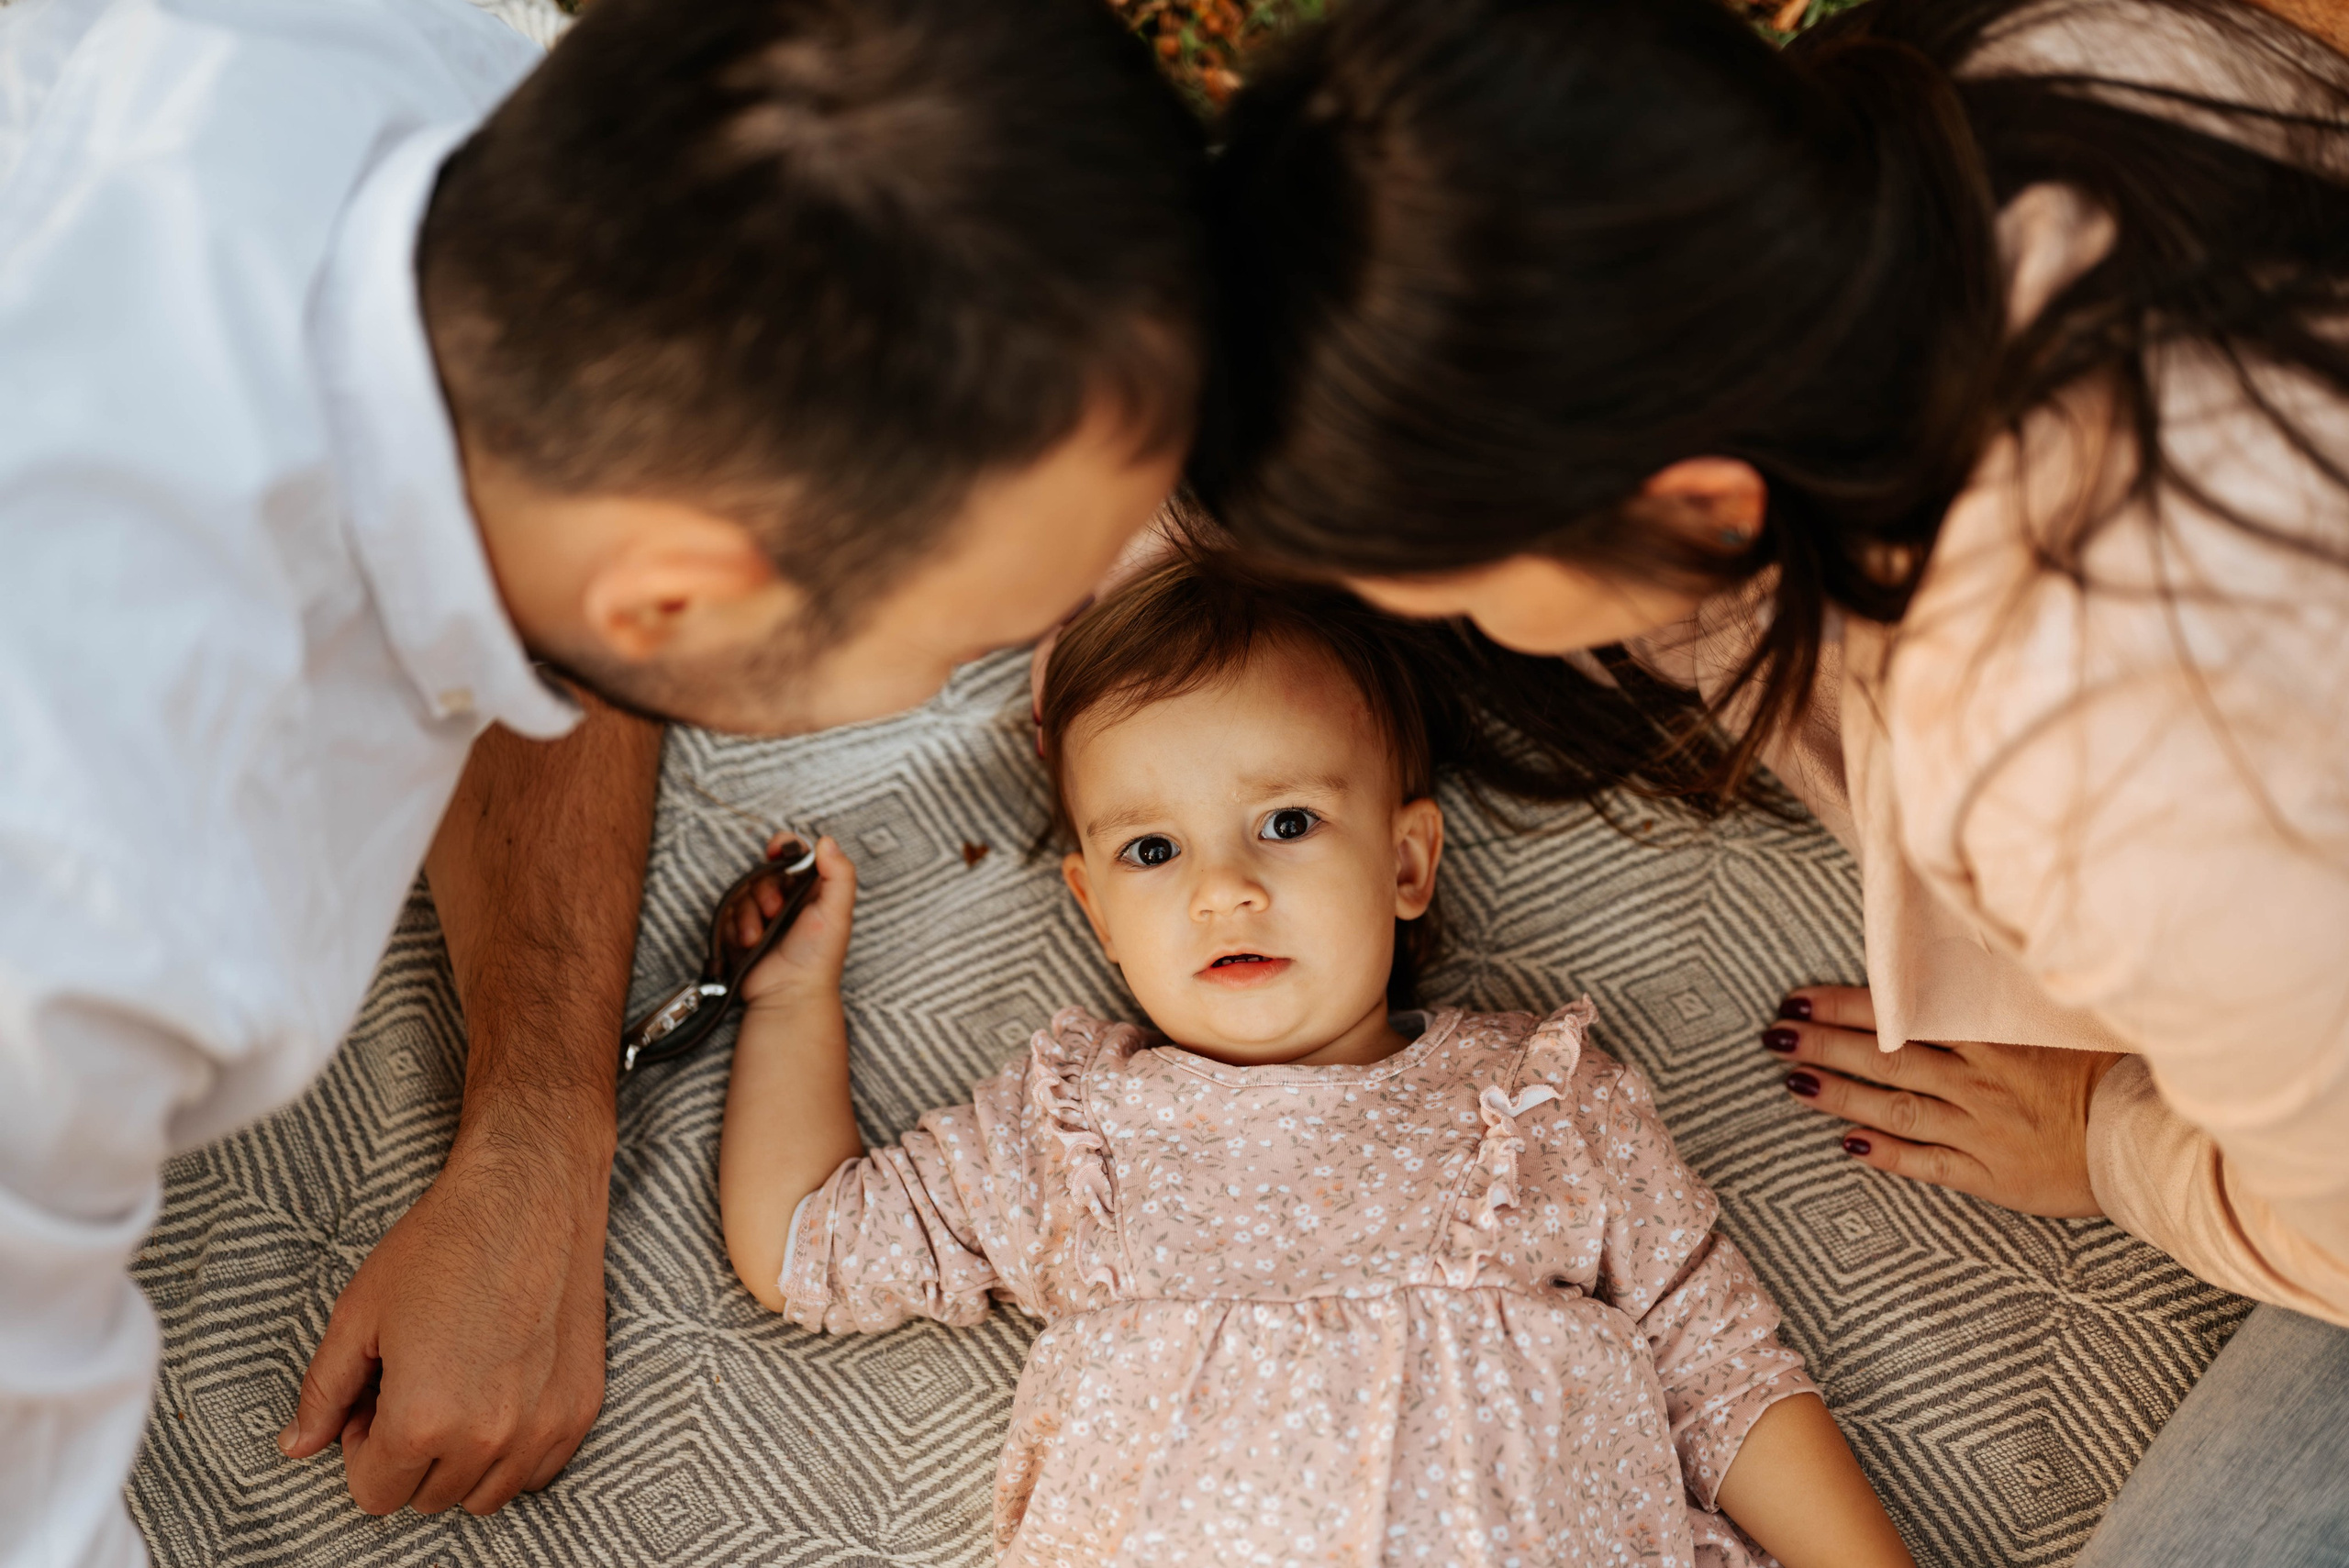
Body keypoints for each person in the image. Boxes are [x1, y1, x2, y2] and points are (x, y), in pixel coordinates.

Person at [0, 0, 1204, 1555]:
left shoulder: (416, 85)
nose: (981, 681)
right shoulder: (104, 918)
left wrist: (538, 1143)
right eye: (968, 638)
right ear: (672, 599)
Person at [1190, 0, 2349, 1558]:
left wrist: (2113, 1142)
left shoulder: (2109, 790)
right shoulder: (2055, 75)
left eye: (1445, 581)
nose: (1431, 626)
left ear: (1700, 502)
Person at [718, 558, 1917, 1567]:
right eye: (1151, 848)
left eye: (1285, 823)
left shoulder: (1544, 1096)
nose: (1223, 886)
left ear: (1407, 863)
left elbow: (1721, 1372)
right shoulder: (1067, 1127)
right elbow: (807, 1238)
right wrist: (787, 997)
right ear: (1091, 909)